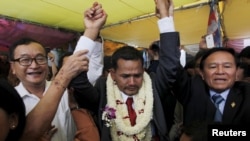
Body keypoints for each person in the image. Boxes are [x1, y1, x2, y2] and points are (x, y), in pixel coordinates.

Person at [72, 0, 180, 140]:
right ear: (113, 74)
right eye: (125, 76)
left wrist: (166, 17)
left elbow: (171, 64)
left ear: (144, 71)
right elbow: (77, 78)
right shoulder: (103, 91)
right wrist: (91, 30)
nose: (132, 82)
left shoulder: (153, 86)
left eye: (137, 75)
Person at [8, 3, 105, 139]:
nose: (34, 65)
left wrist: (91, 30)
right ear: (12, 67)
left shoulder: (65, 92)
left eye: (40, 58)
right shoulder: (9, 100)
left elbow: (85, 68)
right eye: (25, 60)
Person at [169, 46, 250, 127]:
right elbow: (171, 67)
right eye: (213, 67)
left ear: (236, 72)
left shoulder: (247, 93)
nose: (220, 72)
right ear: (202, 73)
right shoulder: (193, 89)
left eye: (227, 66)